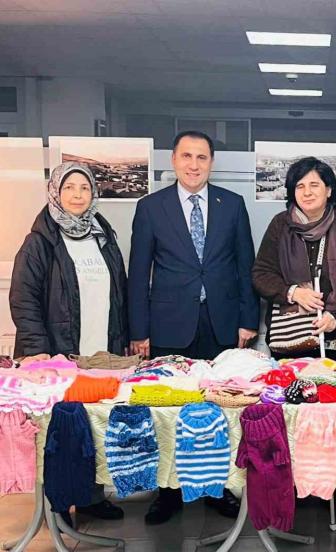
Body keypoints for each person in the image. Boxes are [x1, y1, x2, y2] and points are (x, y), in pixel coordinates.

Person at [128, 130, 259, 524]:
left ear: (211, 163)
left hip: (221, 322)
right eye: (186, 156)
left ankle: (216, 488)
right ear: (173, 160)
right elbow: (139, 273)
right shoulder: (151, 208)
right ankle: (168, 492)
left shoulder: (231, 205)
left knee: (219, 409)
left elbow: (245, 266)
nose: (194, 165)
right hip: (169, 323)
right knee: (170, 409)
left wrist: (248, 320)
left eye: (202, 157)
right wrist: (139, 330)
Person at [10, 162, 126, 524]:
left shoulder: (103, 235)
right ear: (55, 193)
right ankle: (60, 499)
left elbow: (119, 292)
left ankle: (91, 496)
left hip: (100, 351)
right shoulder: (40, 241)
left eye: (85, 188)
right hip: (57, 354)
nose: (78, 195)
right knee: (61, 427)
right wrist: (36, 349)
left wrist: (122, 343)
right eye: (69, 188)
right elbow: (23, 298)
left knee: (93, 423)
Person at [252, 157, 336, 363]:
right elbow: (261, 274)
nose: (307, 192)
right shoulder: (280, 225)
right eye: (300, 186)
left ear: (329, 190)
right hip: (291, 339)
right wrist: (293, 293)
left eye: (314, 185)